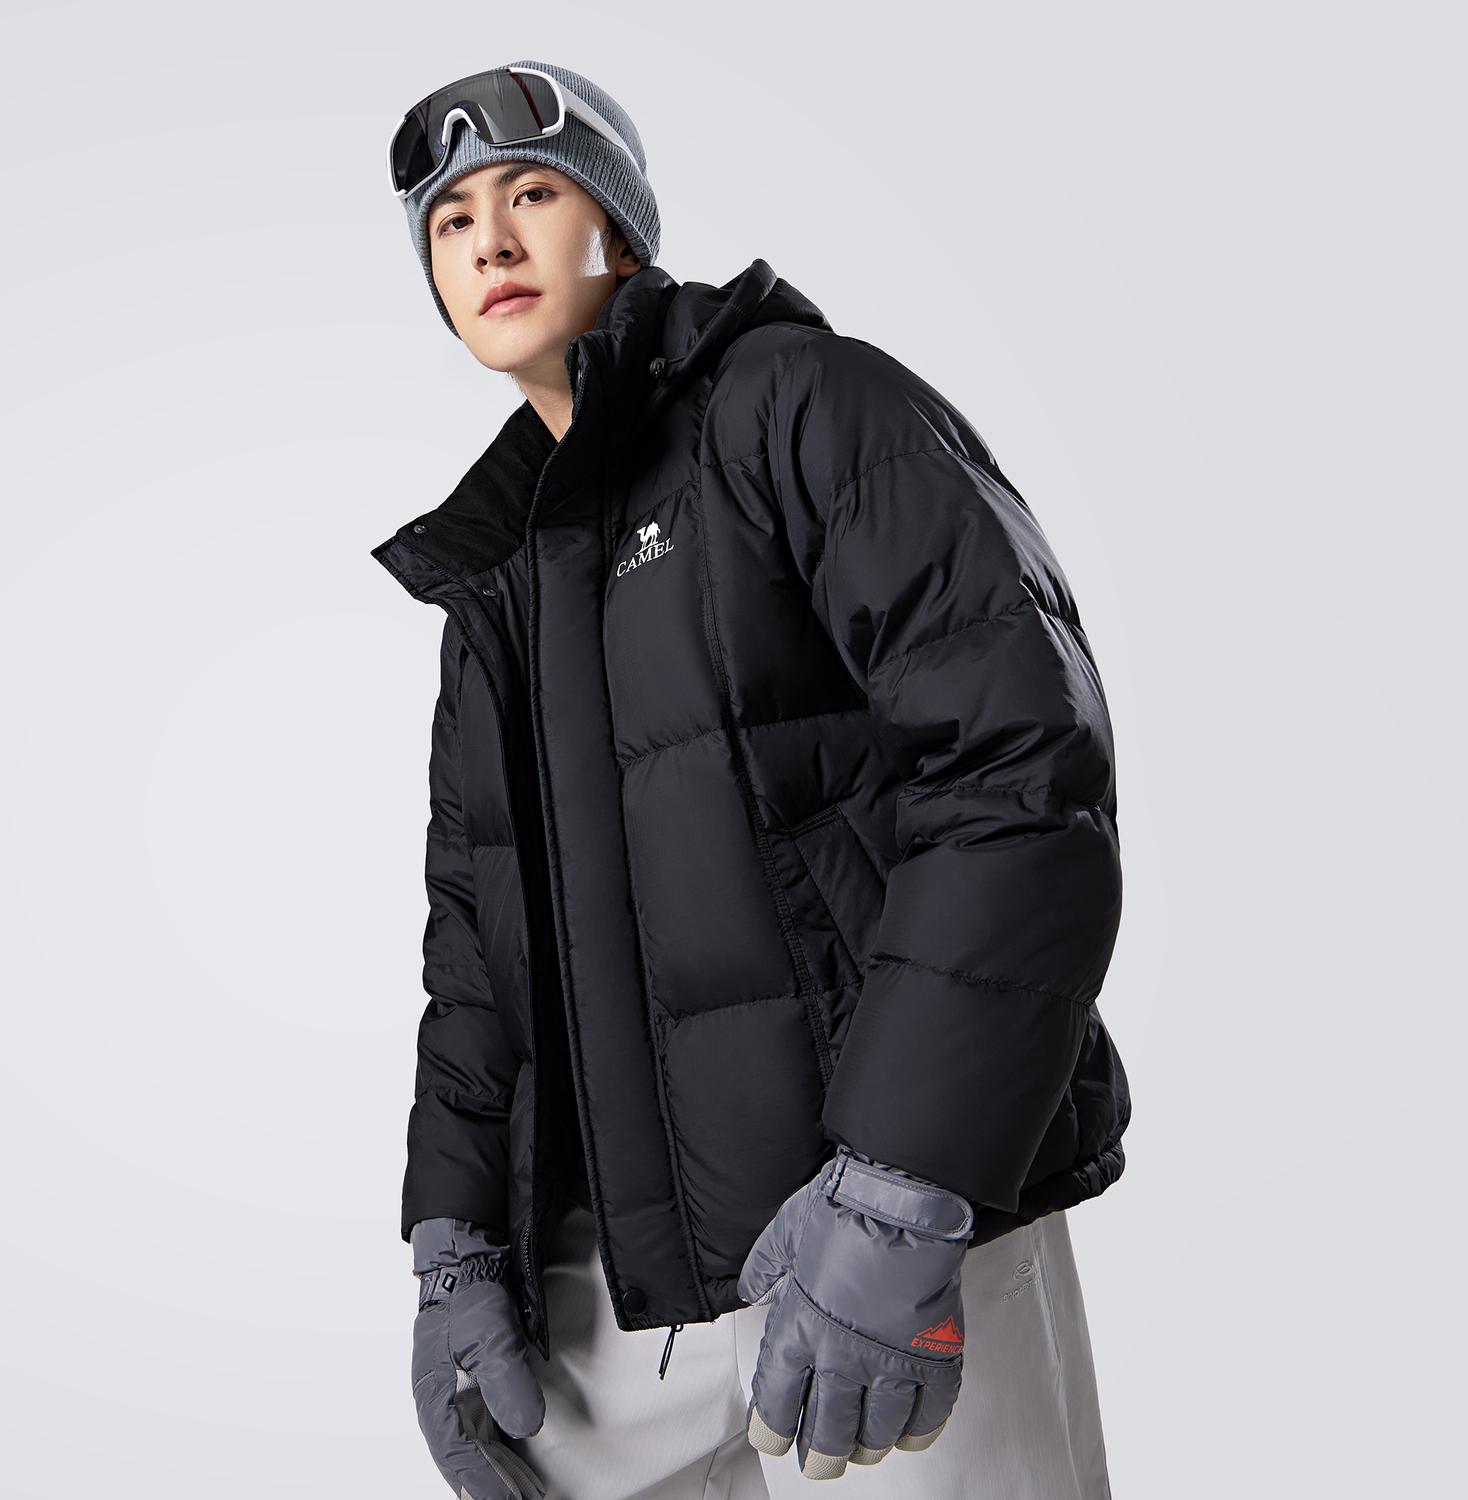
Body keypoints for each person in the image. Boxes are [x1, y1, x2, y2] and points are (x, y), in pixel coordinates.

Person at [373, 59, 1133, 1500]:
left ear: (620, 231)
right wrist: (455, 1237)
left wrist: (903, 1182)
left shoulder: (806, 408)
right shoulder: (503, 577)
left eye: (532, 195)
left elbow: (1021, 767)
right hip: (623, 1290)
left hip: (888, 1234)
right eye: (451, 222)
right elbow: (475, 941)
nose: (490, 241)